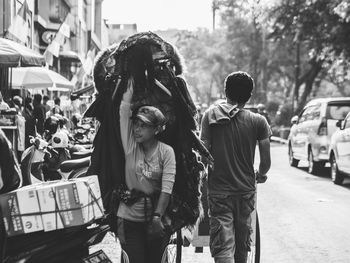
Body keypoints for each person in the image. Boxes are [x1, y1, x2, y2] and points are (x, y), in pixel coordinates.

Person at [200, 71, 271, 263]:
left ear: (225, 92)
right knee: (242, 244)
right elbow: (266, 162)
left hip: (219, 193)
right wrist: (261, 174)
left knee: (223, 245)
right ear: (249, 96)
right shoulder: (259, 121)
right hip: (246, 191)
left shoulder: (210, 116)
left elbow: (203, 153)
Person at [117, 79, 176, 263]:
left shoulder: (166, 152)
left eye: (144, 126)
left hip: (155, 220)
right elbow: (124, 113)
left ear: (156, 129)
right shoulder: (130, 146)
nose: (137, 129)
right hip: (128, 219)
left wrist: (158, 216)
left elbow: (167, 187)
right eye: (136, 124)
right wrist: (129, 87)